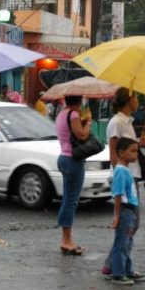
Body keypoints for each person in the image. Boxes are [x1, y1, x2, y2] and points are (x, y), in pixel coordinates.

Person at [101, 87, 145, 278]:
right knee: (128, 224)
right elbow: (114, 152)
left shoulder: (128, 122)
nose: (138, 102)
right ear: (129, 100)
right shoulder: (117, 122)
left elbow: (127, 148)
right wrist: (120, 175)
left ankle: (114, 264)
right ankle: (116, 267)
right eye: (136, 97)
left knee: (132, 224)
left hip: (133, 175)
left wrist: (140, 143)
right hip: (125, 178)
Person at [55, 95, 92, 255]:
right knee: (71, 201)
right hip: (73, 160)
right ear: (79, 100)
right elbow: (82, 135)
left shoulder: (62, 114)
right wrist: (89, 121)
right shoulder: (74, 114)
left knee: (68, 199)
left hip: (64, 157)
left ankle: (67, 238)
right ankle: (66, 240)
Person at [109, 137, 142, 285]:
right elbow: (118, 195)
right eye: (133, 151)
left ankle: (127, 270)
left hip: (130, 209)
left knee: (128, 242)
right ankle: (118, 273)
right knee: (122, 242)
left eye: (137, 151)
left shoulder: (125, 169)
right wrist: (116, 216)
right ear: (121, 152)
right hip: (125, 210)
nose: (136, 154)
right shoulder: (121, 171)